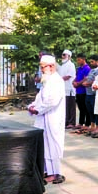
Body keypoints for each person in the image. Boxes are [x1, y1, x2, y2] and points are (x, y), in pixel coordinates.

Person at [28, 55, 66, 184]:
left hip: (53, 118)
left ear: (51, 66)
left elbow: (52, 101)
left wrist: (38, 109)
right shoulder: (47, 80)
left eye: (43, 67)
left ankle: (55, 173)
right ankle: (46, 171)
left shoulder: (56, 81)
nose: (42, 69)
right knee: (44, 145)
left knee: (53, 145)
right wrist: (33, 106)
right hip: (43, 117)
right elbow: (40, 98)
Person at [81, 55, 98, 135]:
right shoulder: (91, 70)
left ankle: (97, 127)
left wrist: (87, 84)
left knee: (96, 111)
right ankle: (92, 126)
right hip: (88, 93)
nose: (91, 63)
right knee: (90, 111)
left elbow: (97, 80)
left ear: (97, 61)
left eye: (92, 61)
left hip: (94, 94)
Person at [58, 50, 76, 129]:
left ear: (69, 56)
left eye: (64, 55)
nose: (63, 56)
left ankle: (71, 122)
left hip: (70, 89)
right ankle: (66, 122)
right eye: (62, 55)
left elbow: (68, 76)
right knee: (65, 107)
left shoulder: (71, 65)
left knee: (71, 107)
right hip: (63, 89)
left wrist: (59, 80)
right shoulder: (62, 65)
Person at [72, 53, 91, 130]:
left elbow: (86, 78)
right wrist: (73, 82)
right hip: (78, 91)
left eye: (79, 60)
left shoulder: (87, 68)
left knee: (85, 108)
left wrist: (78, 83)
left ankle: (87, 123)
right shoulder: (79, 68)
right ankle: (80, 122)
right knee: (80, 108)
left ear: (83, 59)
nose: (78, 61)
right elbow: (76, 76)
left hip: (84, 90)